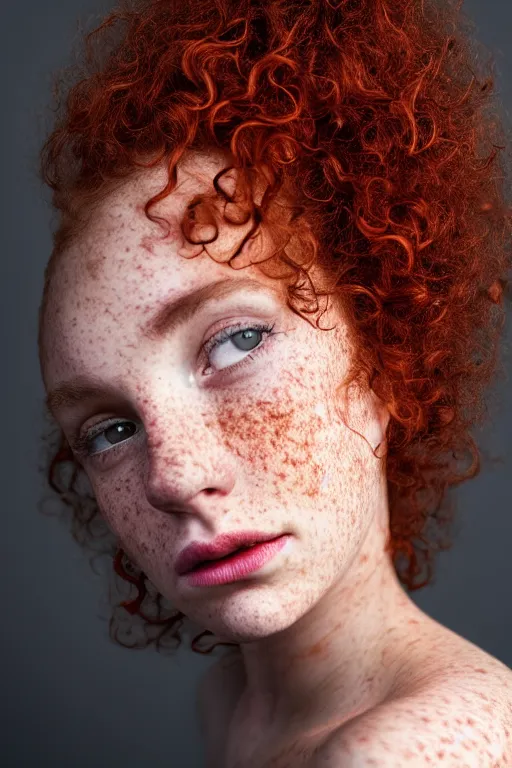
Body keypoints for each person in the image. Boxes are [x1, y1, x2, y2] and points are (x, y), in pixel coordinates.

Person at [37, 0, 512, 765]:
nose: (176, 477)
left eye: (237, 342)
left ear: (383, 347)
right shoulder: (231, 706)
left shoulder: (401, 752)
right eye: (109, 429)